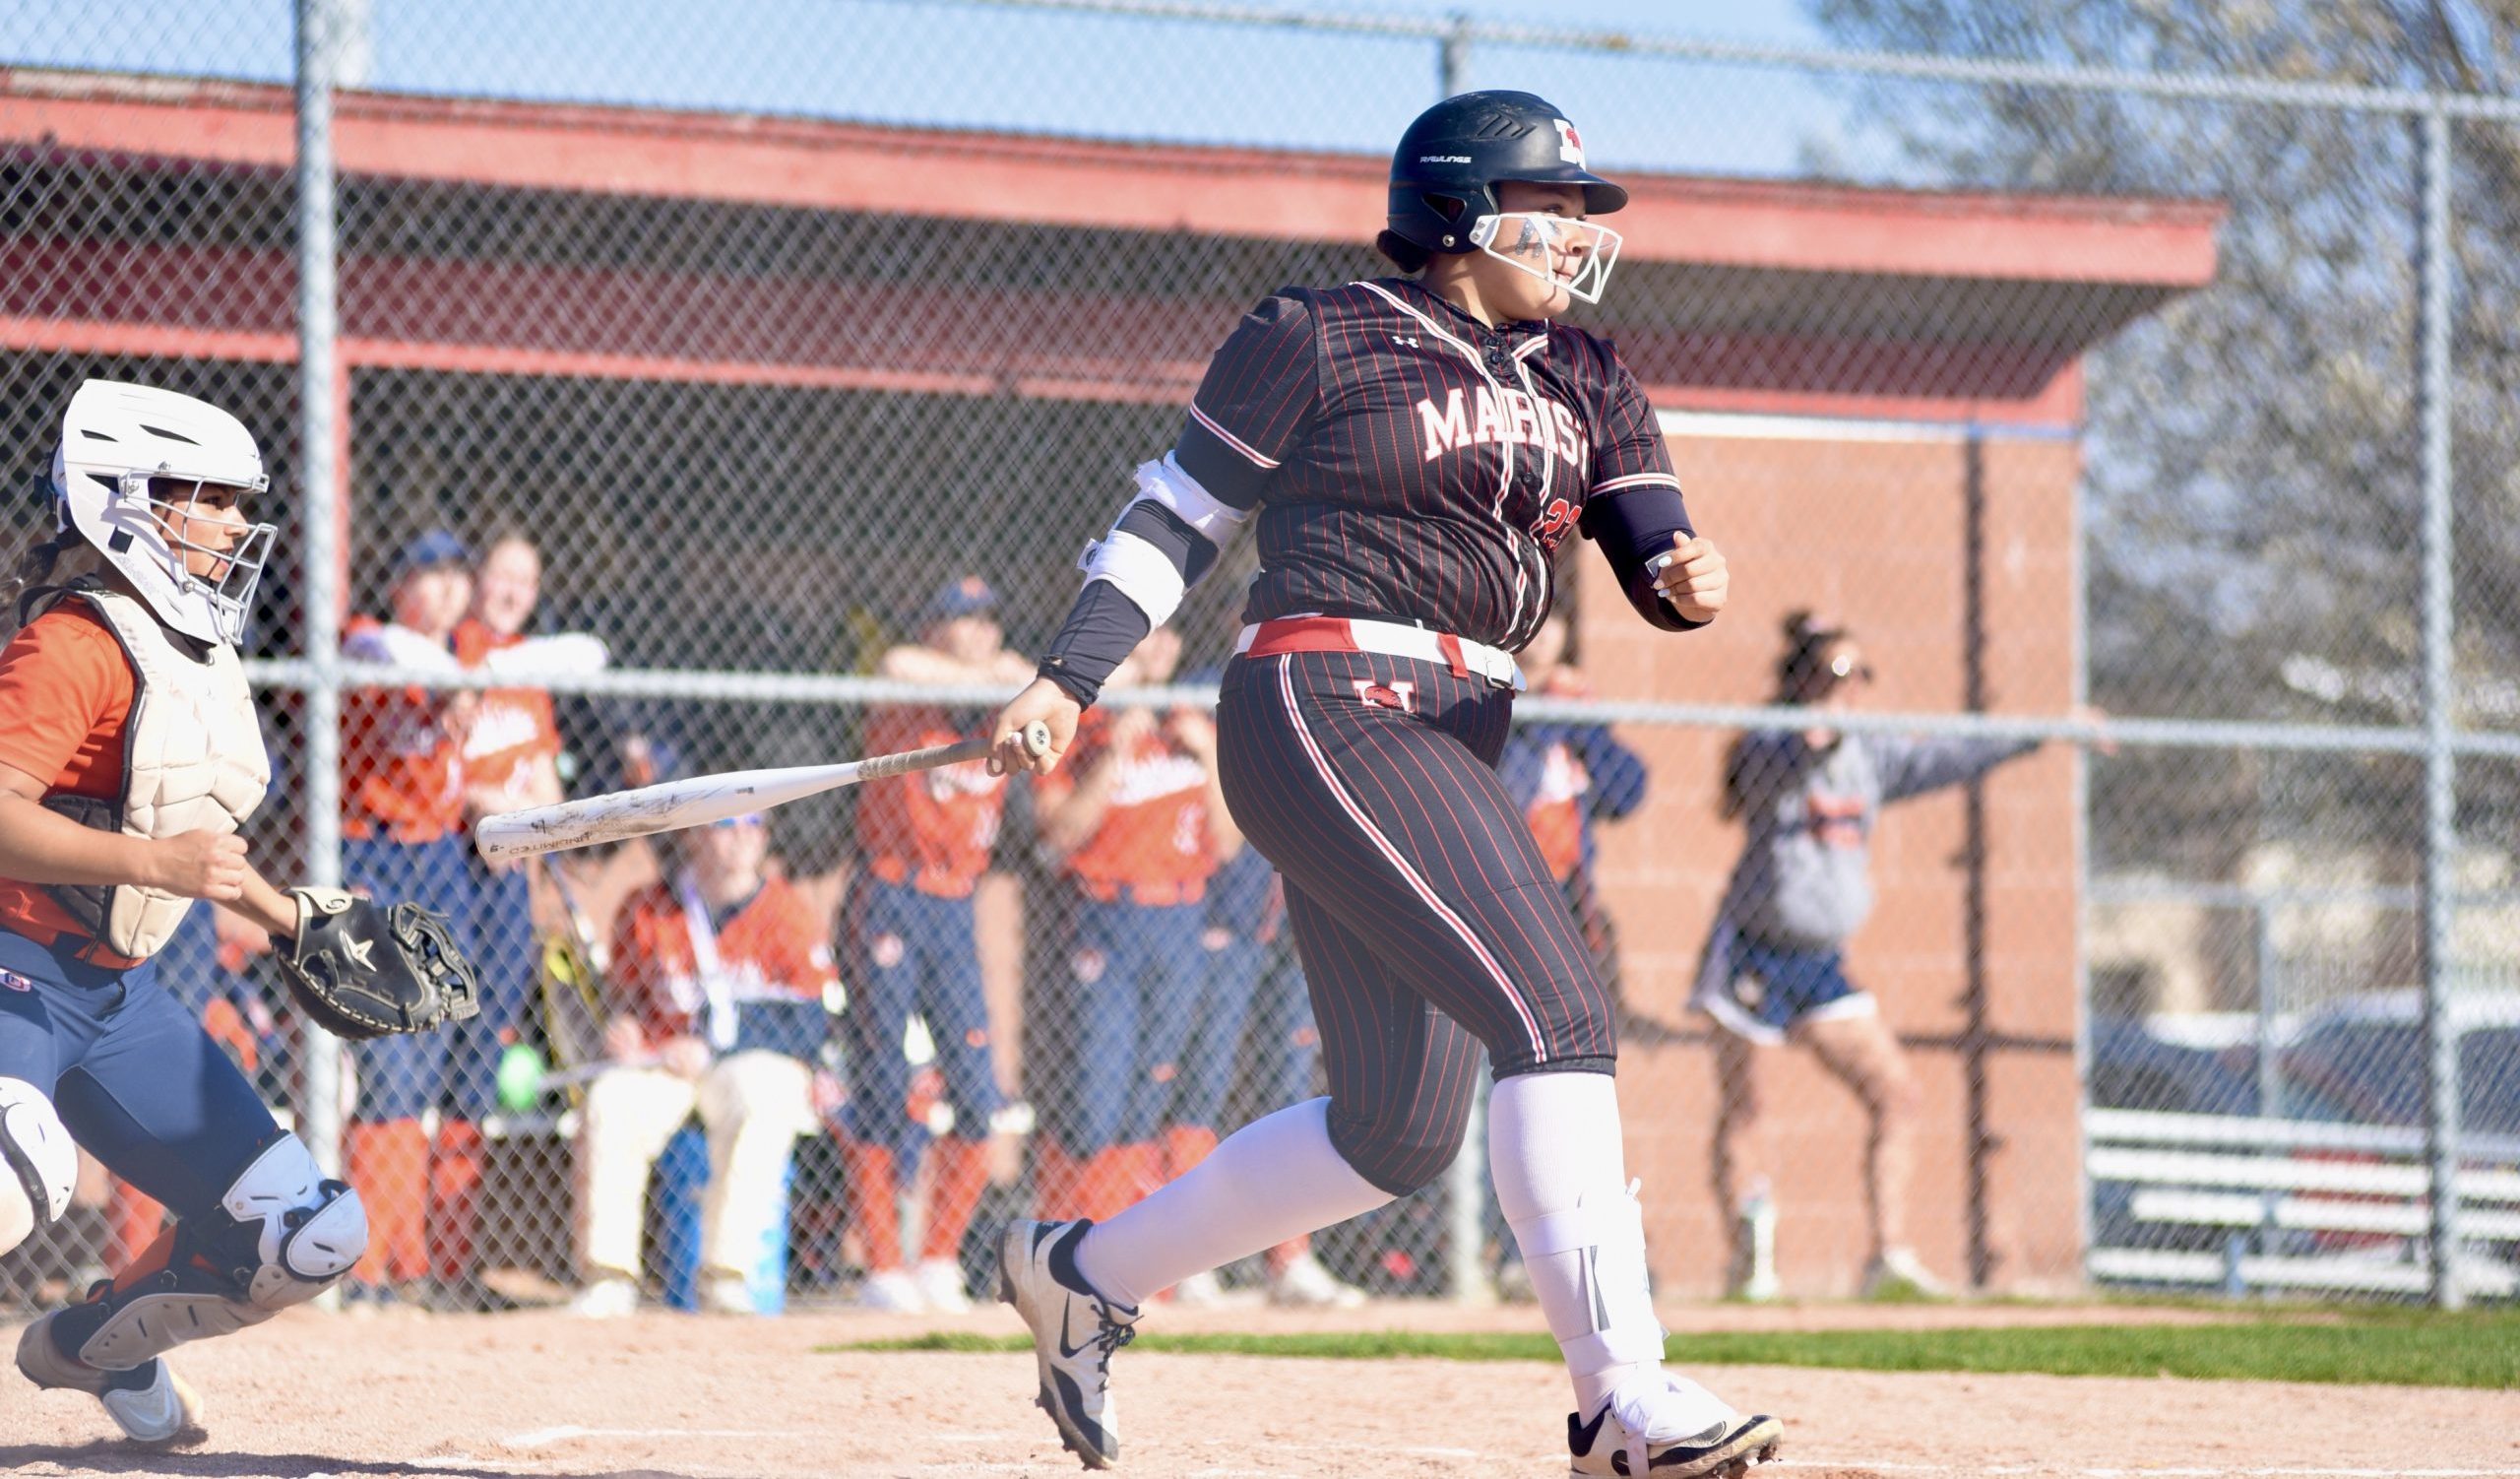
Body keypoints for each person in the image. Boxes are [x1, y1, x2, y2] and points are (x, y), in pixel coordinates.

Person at [983, 92, 1782, 1477]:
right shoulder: (1318, 331)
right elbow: (1175, 516)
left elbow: (1652, 546)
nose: (1576, 234)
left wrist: (1684, 576)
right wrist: (1069, 677)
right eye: (1551, 207)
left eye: (1582, 213)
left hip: (1460, 723)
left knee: (1396, 1129)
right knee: (1557, 1008)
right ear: (1461, 210)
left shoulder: (1585, 370)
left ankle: (1080, 1271)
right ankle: (1618, 1400)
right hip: (1324, 698)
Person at [1, 381, 410, 1441]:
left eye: (239, 504)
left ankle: (92, 1347)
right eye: (212, 500)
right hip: (13, 968)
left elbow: (189, 842)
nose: (235, 526)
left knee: (304, 1234)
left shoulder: (194, 648)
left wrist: (293, 921)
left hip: (118, 999)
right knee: (15, 1175)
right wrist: (149, 861)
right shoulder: (73, 644)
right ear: (127, 501)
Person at [1693, 611, 2074, 1301]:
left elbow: (1946, 757)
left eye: (1861, 673)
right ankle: (1748, 1259)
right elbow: (1770, 771)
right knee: (1746, 1106)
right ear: (1803, 679)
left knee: (1897, 1095)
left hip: (1820, 964)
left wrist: (2040, 732)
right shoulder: (1769, 742)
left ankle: (1888, 1257)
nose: (1851, 687)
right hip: (1752, 953)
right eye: (1837, 672)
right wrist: (1808, 736)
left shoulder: (1867, 753)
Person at [835, 574, 1031, 1313]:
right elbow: (895, 665)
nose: (978, 632)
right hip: (889, 891)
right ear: (933, 629)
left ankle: (938, 1258)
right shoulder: (911, 684)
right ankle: (883, 1265)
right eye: (961, 620)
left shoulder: (1008, 698)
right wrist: (988, 674)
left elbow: (1039, 678)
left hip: (957, 904)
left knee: (977, 1089)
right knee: (883, 1080)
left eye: (986, 621)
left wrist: (1004, 679)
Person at [569, 810, 835, 1318]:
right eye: (726, 823)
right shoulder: (650, 908)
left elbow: (810, 1021)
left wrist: (714, 1045)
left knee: (763, 1097)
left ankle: (726, 1276)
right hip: (667, 1062)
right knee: (611, 1101)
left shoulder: (787, 912)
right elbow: (624, 998)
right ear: (694, 834)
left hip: (740, 1065)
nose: (741, 839)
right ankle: (608, 1277)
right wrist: (625, 1028)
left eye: (754, 825)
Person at [1027, 626, 1234, 1242]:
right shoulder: (1080, 725)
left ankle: (1127, 1250)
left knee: (1152, 1092)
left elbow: (1226, 844)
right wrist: (1114, 752)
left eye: (1170, 637)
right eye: (1147, 636)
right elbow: (1060, 834)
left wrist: (1210, 756)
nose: (1159, 649)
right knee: (1098, 1093)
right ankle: (1074, 1245)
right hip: (1107, 916)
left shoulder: (1190, 722)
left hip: (1180, 917)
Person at [336, 530, 481, 1307]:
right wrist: (452, 680)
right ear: (400, 587)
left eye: (458, 575)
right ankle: (364, 1265)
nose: (448, 589)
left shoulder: (468, 653)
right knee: (388, 1057)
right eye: (431, 575)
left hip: (440, 859)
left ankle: (406, 1262)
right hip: (375, 851)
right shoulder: (370, 637)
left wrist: (465, 679)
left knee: (425, 1057)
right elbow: (381, 652)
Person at [1172, 837, 1363, 1308]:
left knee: (1289, 1092)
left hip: (1301, 916)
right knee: (1202, 1086)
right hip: (1228, 916)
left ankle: (1289, 1258)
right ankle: (1187, 1255)